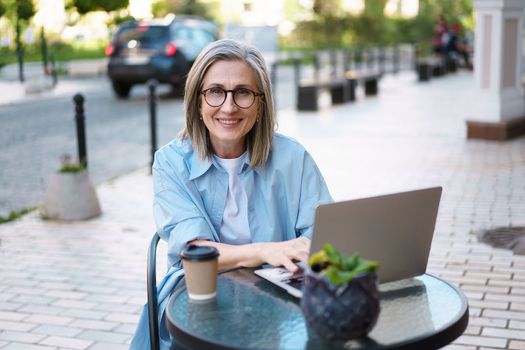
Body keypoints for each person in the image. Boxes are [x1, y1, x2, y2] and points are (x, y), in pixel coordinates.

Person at [130, 38, 332, 349]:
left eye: (243, 92)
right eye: (215, 92)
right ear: (197, 101)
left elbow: (324, 237)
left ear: (260, 102)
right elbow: (196, 255)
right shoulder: (170, 163)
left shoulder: (294, 157)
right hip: (201, 301)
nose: (228, 106)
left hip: (280, 299)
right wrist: (265, 251)